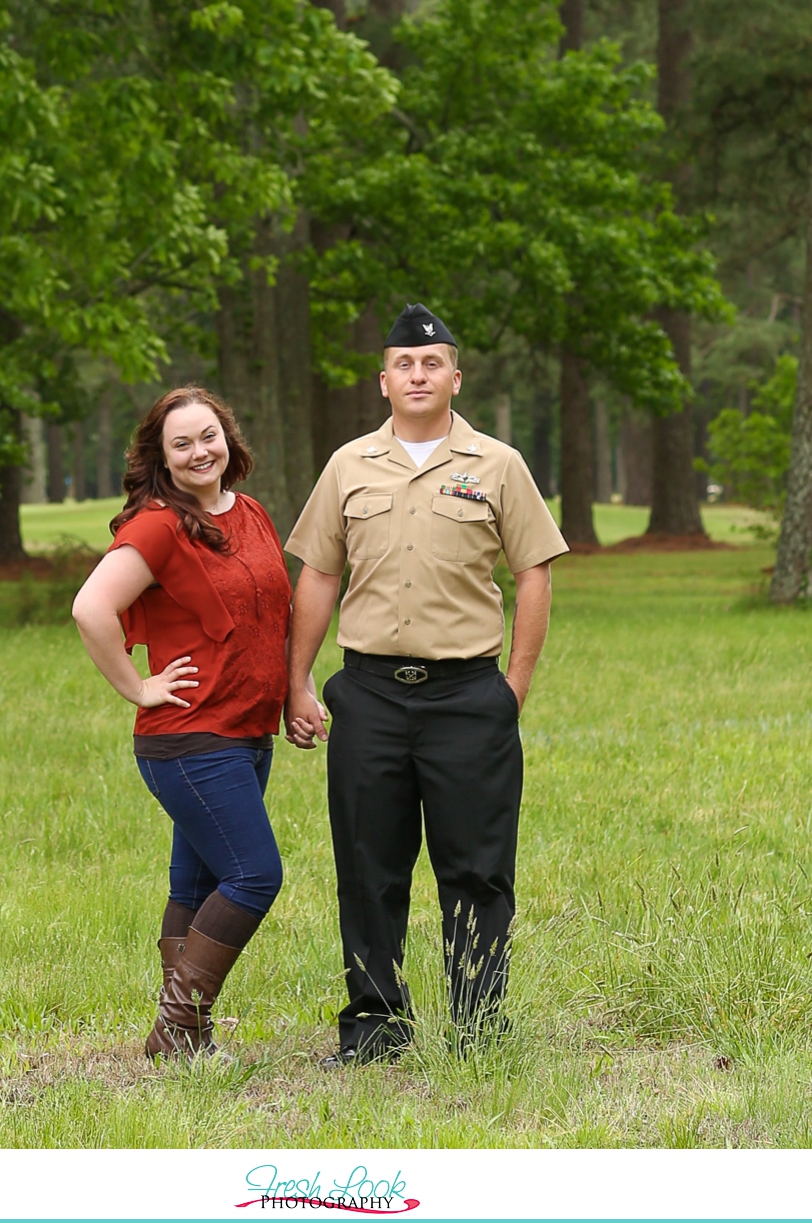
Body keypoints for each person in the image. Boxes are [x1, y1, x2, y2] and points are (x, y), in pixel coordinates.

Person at [283, 303, 568, 1063]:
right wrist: (297, 678)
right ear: (384, 380)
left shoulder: (499, 464)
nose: (418, 373)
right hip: (368, 693)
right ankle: (377, 1026)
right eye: (404, 364)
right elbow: (319, 573)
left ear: (454, 376)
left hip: (468, 697)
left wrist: (515, 684)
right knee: (368, 867)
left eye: (432, 362)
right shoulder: (348, 466)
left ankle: (477, 1025)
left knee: (476, 869)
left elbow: (532, 572)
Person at [71, 386, 292, 1060]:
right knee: (255, 875)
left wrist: (294, 689)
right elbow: (90, 606)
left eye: (209, 435)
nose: (200, 451)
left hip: (249, 734)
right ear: (161, 458)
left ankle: (184, 1040)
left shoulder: (250, 513)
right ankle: (178, 1028)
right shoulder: (159, 525)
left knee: (195, 886)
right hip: (190, 740)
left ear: (229, 437)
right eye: (182, 443)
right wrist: (137, 684)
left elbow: (270, 613)